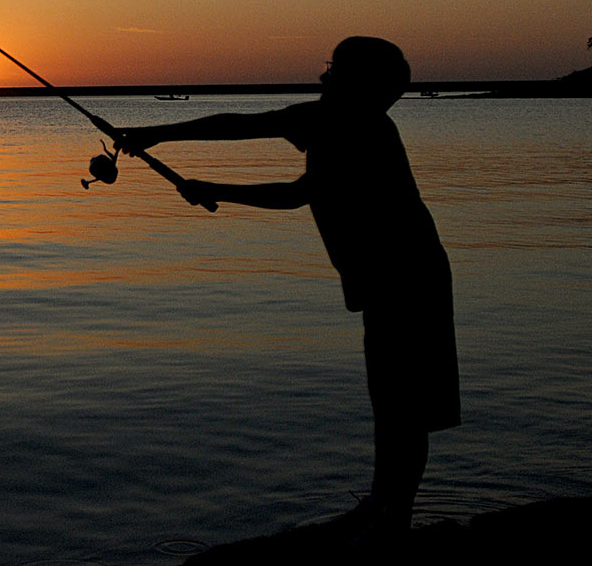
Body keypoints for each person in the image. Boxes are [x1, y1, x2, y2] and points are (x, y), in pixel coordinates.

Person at [114, 36, 459, 539]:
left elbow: (245, 132)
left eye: (336, 69)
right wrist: (208, 184)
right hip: (406, 274)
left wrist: (157, 135)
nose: (326, 76)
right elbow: (298, 192)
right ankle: (385, 509)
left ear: (352, 80)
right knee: (394, 402)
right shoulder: (351, 119)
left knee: (400, 406)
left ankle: (392, 519)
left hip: (405, 278)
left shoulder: (342, 119)